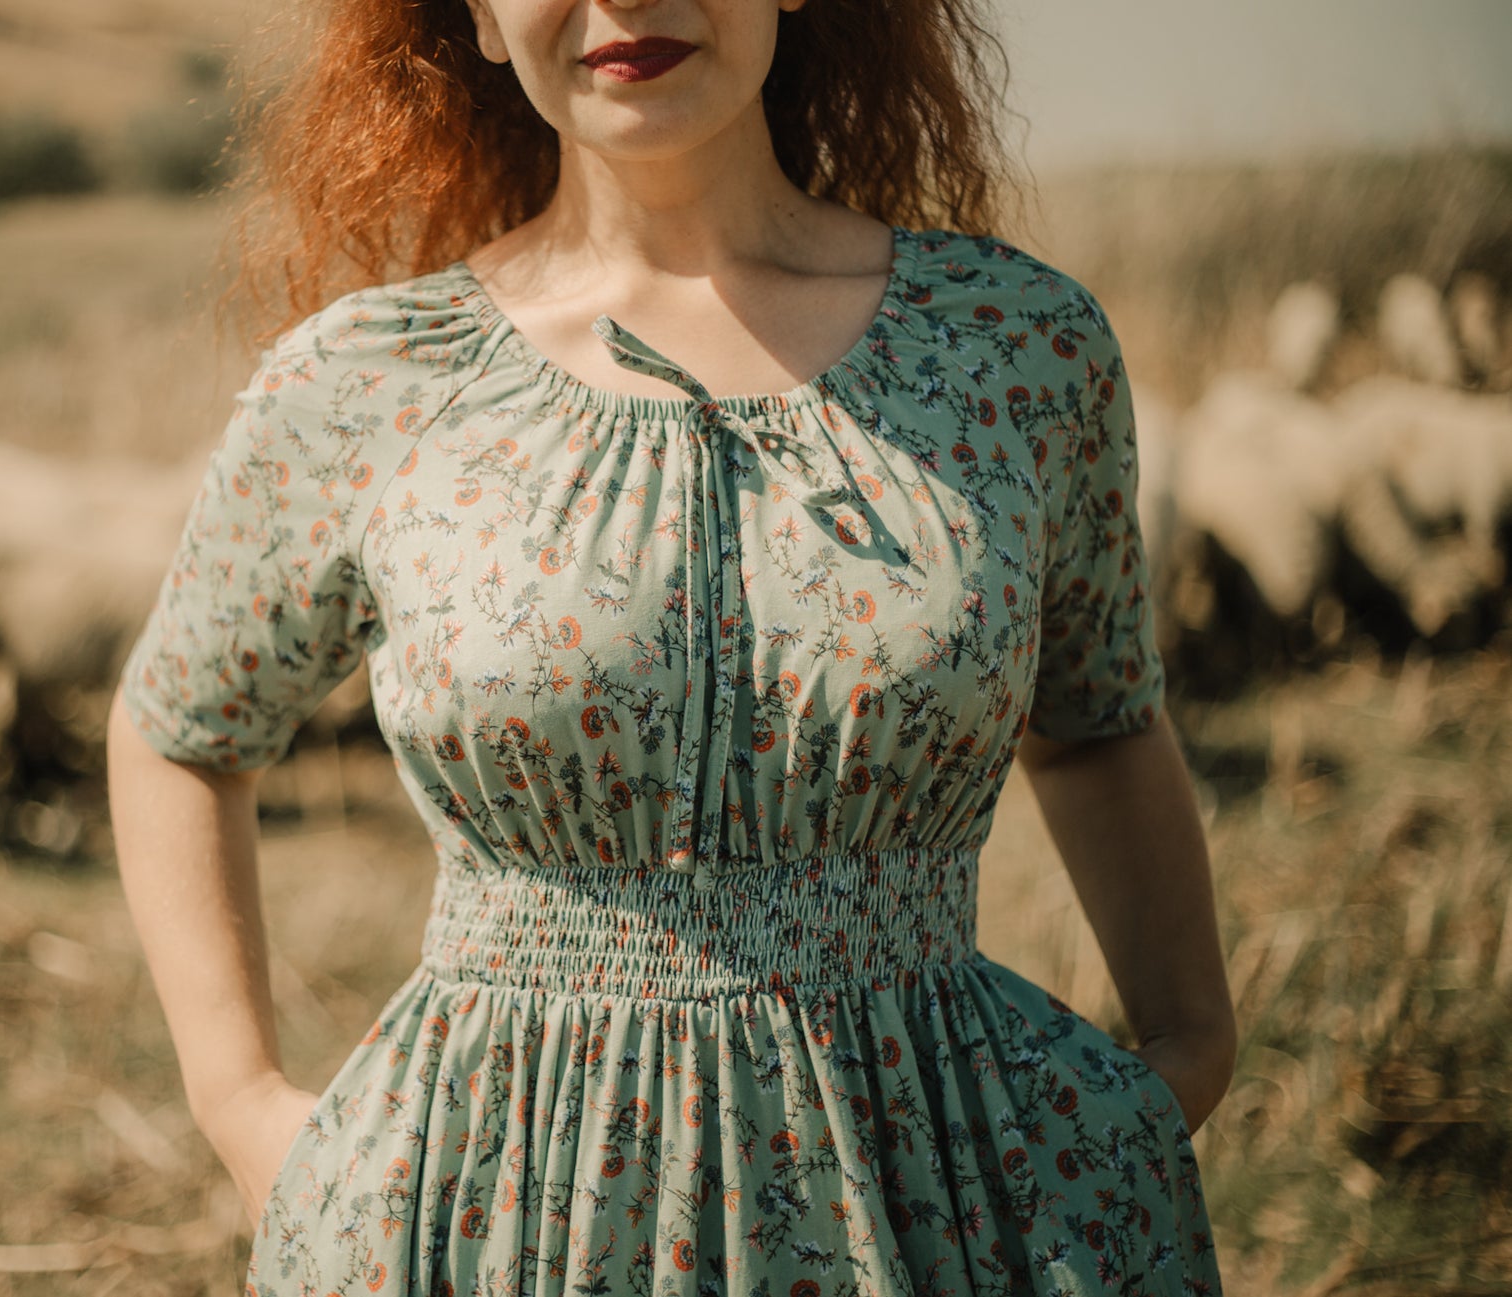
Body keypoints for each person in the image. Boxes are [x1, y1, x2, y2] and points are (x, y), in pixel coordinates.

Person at [107, 0, 1238, 1292]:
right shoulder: (368, 383)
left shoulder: (1011, 347)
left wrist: (1184, 1046)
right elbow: (179, 729)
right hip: (491, 1218)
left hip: (945, 1191)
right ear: (477, 19)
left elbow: (1094, 722)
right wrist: (243, 1105)